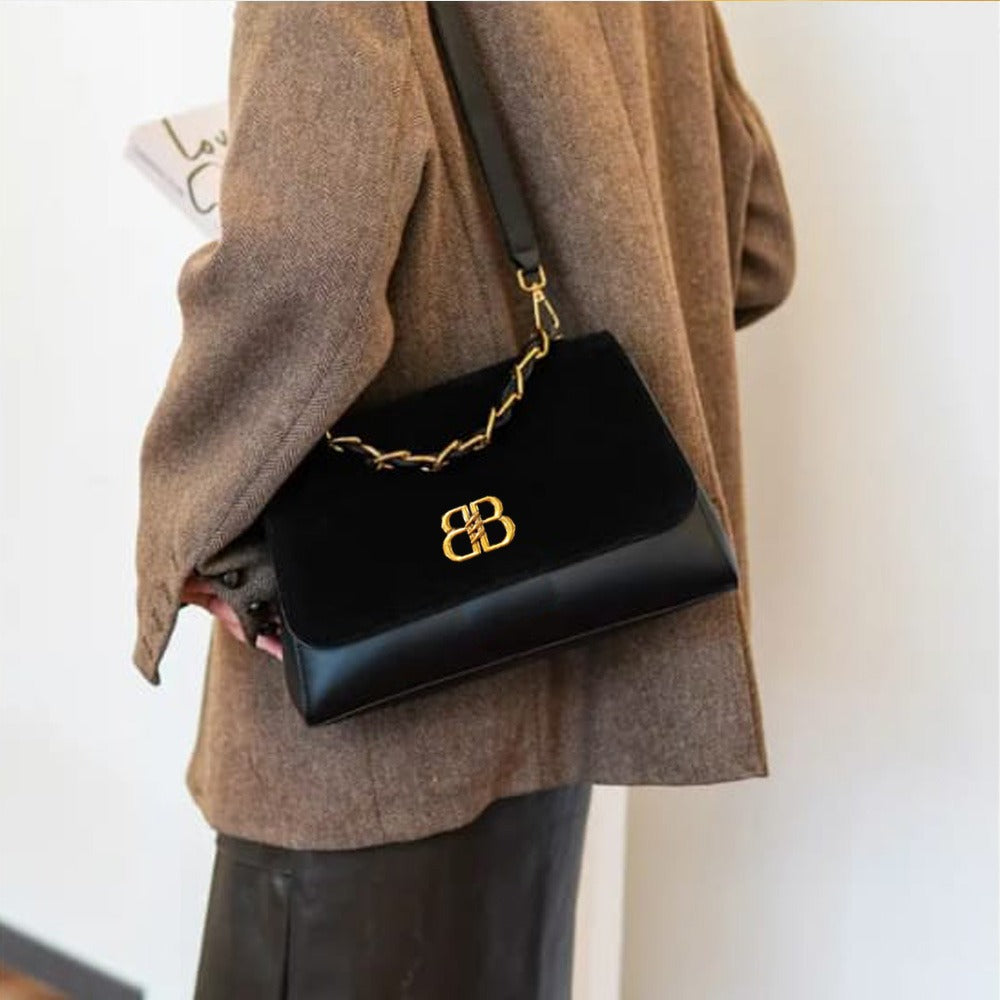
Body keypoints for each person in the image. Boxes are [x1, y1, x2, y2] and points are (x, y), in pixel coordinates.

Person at [131, 2, 795, 996]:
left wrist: (189, 532)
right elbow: (754, 248)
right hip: (573, 614)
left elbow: (304, 265)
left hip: (372, 706)